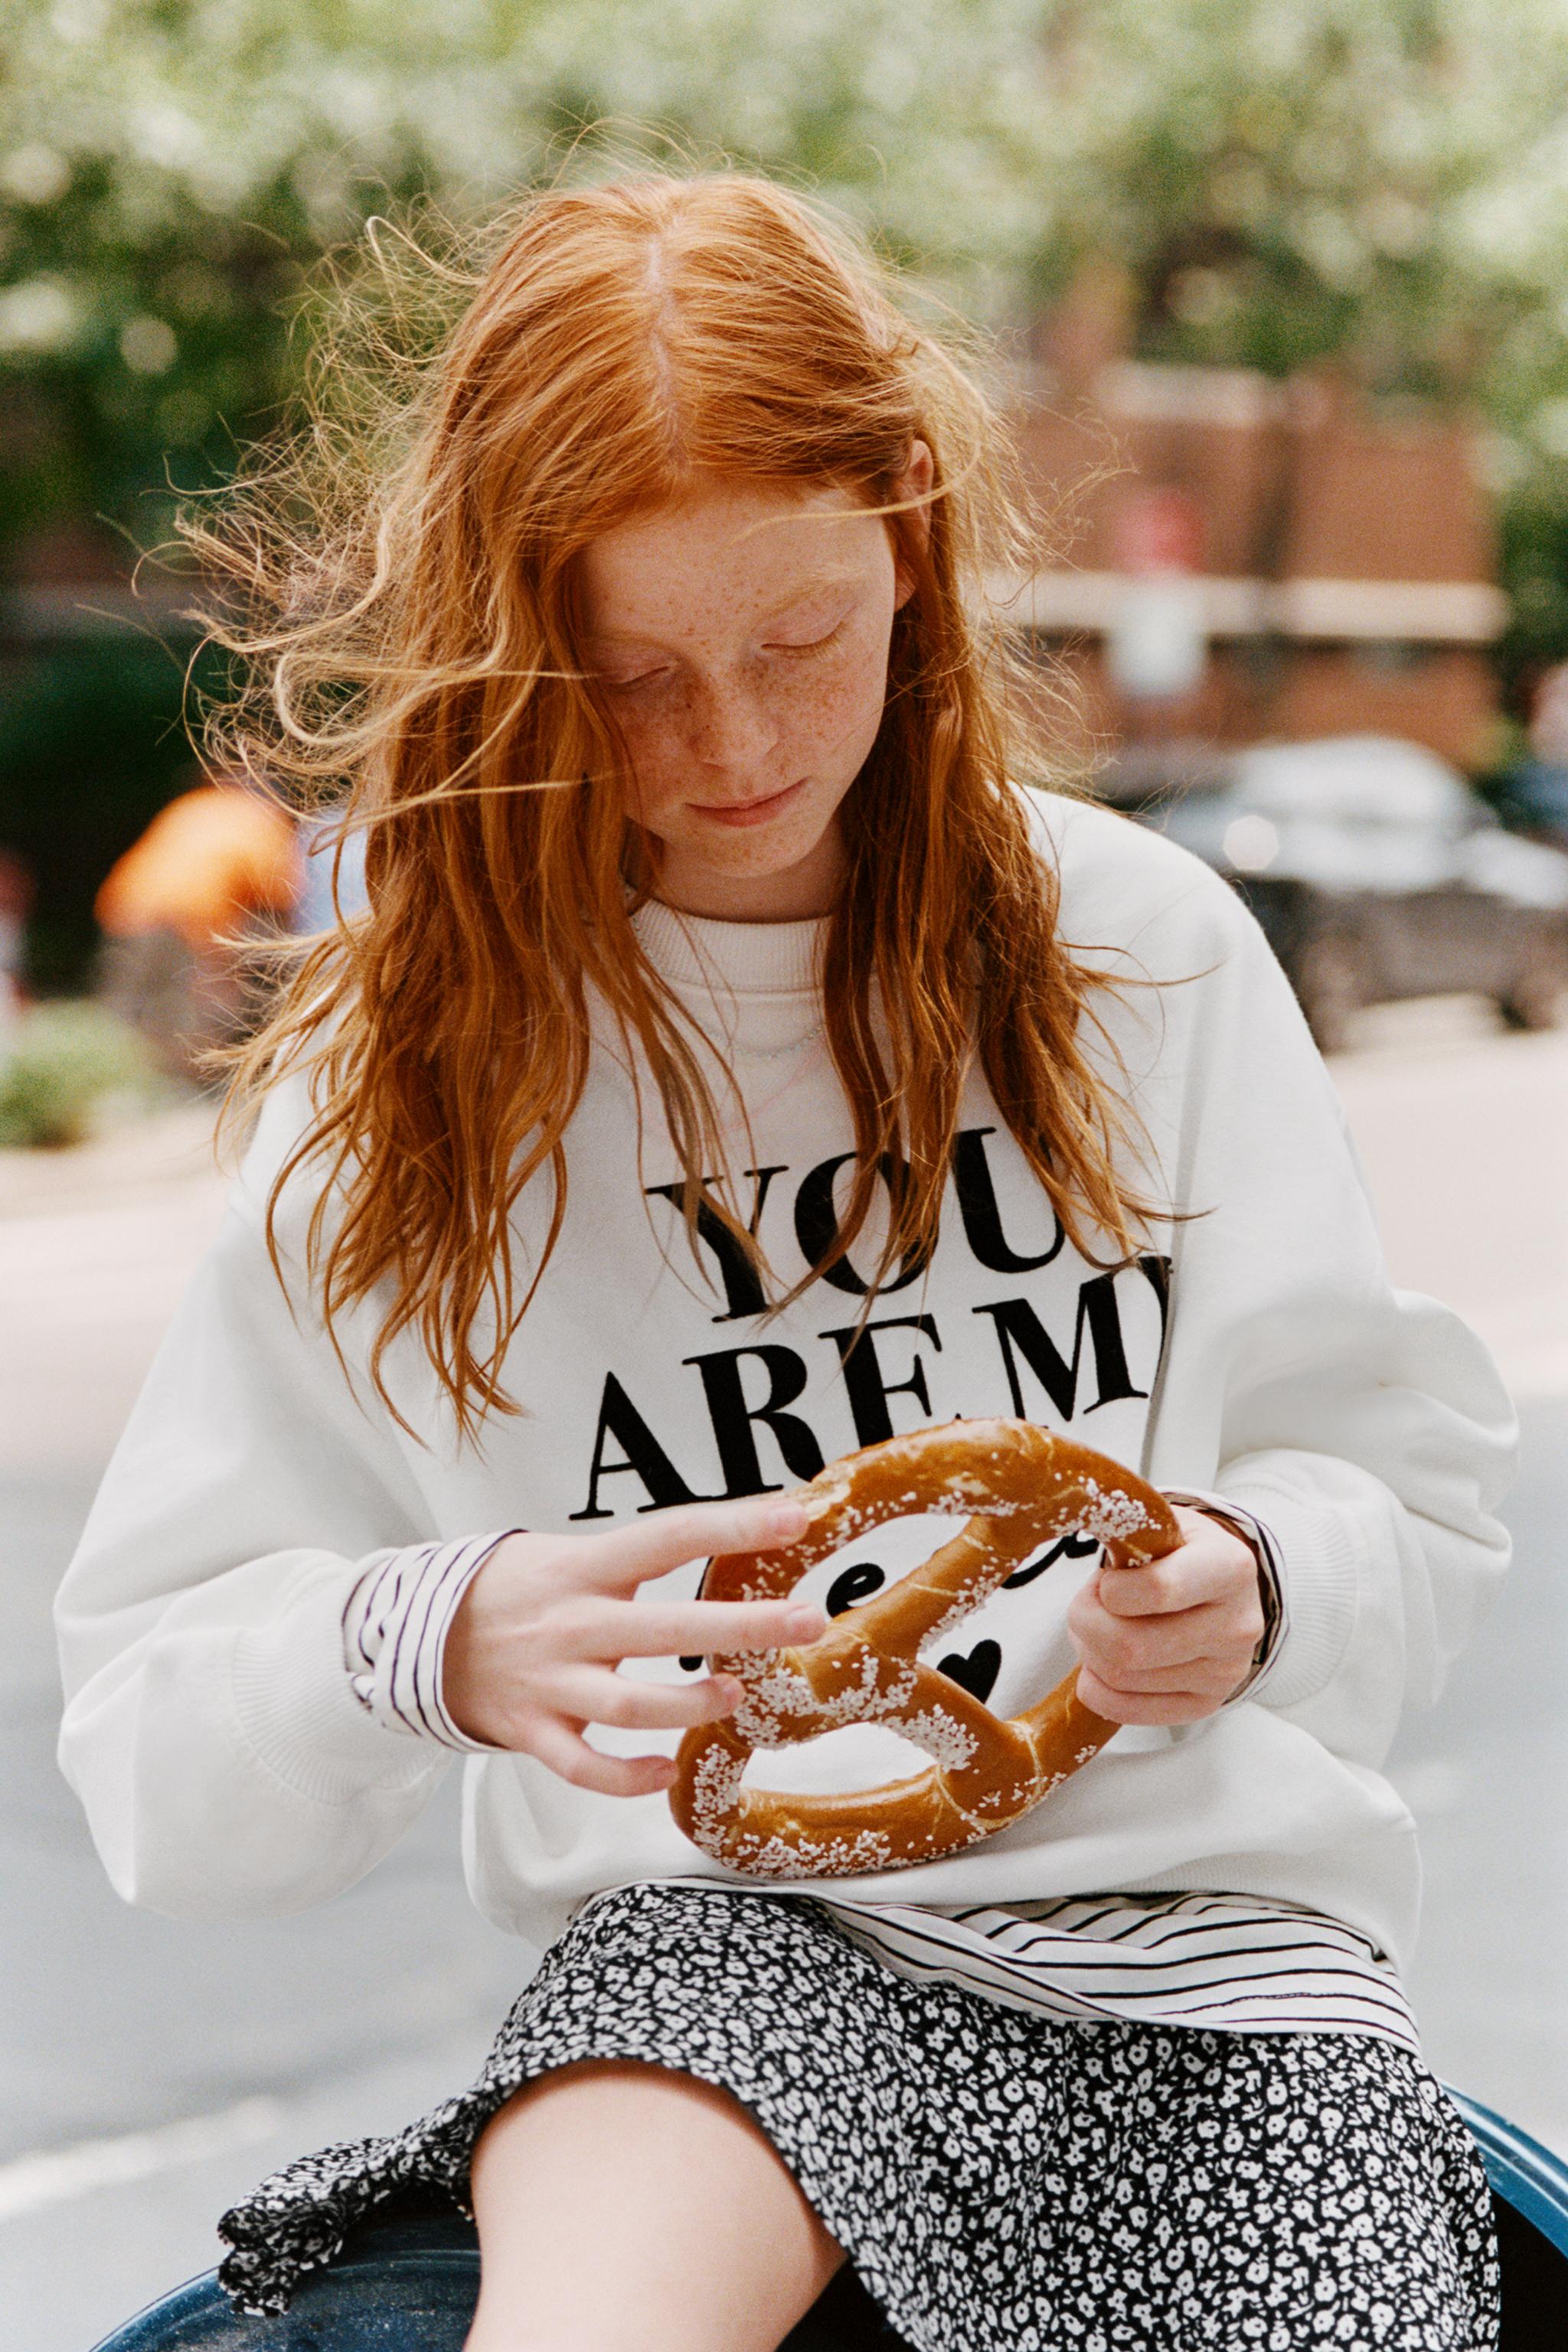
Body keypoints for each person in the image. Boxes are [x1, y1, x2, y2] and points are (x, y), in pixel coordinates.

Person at [55, 174, 1514, 2352]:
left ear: (911, 538)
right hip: (723, 1951)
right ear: (513, 644)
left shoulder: (1143, 953)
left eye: (799, 643)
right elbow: (151, 1763)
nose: (733, 752)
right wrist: (426, 1640)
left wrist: (1261, 1582)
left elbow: (1407, 1499)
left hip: (1219, 1954)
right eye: (633, 680)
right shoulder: (406, 1076)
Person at [94, 772, 301, 1079]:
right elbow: (280, 900)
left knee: (126, 1008)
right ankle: (189, 1086)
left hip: (128, 907)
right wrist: (231, 968)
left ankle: (112, 1080)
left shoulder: (191, 804)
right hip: (191, 919)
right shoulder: (262, 818)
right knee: (184, 1014)